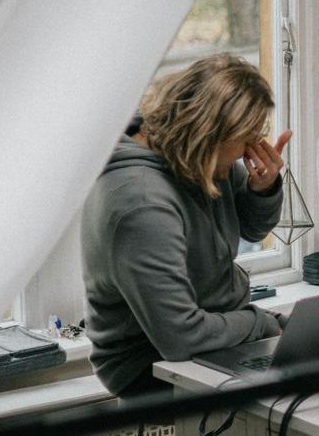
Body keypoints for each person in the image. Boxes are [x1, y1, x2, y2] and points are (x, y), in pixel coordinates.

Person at [80, 54, 295, 397]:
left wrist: (264, 188)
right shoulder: (141, 203)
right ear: (208, 132)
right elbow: (181, 338)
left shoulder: (195, 157)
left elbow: (252, 230)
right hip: (152, 367)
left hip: (216, 334)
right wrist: (261, 323)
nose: (250, 149)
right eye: (245, 137)